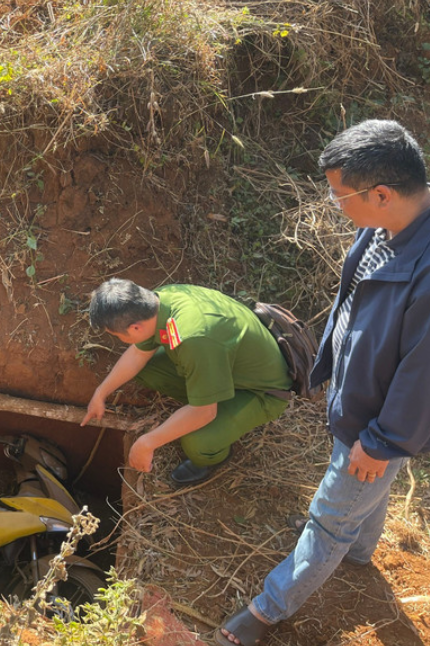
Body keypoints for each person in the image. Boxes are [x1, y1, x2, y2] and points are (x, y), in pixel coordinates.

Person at [216, 119, 430, 646]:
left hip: (382, 417)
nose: (336, 204)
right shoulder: (386, 226)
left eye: (340, 194)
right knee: (368, 489)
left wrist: (382, 440)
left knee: (330, 517)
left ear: (382, 193)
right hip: (363, 400)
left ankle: (266, 611)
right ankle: (359, 553)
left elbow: (422, 373)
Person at [80, 279, 293, 485]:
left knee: (197, 442)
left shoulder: (195, 338)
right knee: (149, 368)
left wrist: (147, 443)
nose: (119, 340)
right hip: (221, 364)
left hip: (260, 391)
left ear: (135, 328)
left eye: (117, 335)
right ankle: (204, 393)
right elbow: (138, 355)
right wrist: (101, 393)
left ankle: (213, 456)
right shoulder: (159, 301)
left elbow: (204, 412)